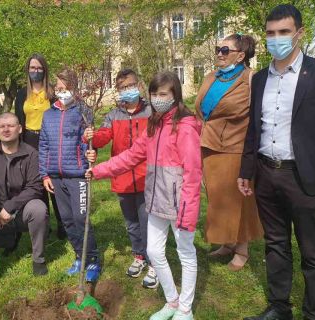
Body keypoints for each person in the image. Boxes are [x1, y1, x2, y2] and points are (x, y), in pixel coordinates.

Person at [239, 4, 315, 320]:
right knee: (275, 245)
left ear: (299, 33)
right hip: (267, 173)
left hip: (305, 177)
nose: (276, 39)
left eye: (284, 32)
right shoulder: (260, 78)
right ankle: (279, 308)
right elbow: (255, 127)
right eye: (270, 33)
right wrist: (246, 170)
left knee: (312, 252)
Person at [87, 71, 201, 320]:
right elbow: (130, 157)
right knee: (155, 251)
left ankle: (186, 308)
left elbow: (193, 172)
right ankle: (171, 301)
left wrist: (189, 210)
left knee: (186, 253)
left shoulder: (185, 125)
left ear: (175, 96)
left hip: (179, 201)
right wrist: (98, 171)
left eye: (163, 94)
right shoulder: (154, 125)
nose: (158, 99)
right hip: (156, 199)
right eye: (154, 94)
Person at [194, 33, 263, 271]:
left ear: (241, 55)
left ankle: (242, 249)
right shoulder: (211, 77)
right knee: (217, 198)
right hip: (209, 146)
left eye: (225, 50)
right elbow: (200, 110)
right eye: (218, 49)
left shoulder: (251, 79)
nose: (219, 54)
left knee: (237, 200)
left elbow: (256, 117)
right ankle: (226, 242)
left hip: (235, 148)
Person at [83, 68, 157, 288]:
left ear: (139, 85)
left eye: (131, 85)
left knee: (147, 223)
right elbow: (104, 137)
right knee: (131, 222)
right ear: (118, 90)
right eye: (123, 87)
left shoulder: (152, 112)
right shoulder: (114, 115)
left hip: (147, 176)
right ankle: (139, 255)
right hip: (123, 176)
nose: (128, 90)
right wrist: (92, 138)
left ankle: (154, 262)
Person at [38, 68, 100, 282]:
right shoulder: (49, 115)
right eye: (59, 88)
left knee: (80, 218)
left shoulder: (83, 111)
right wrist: (45, 174)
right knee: (66, 219)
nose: (62, 92)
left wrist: (88, 144)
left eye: (66, 88)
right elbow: (44, 145)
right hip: (56, 176)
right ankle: (78, 256)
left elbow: (89, 144)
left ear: (74, 89)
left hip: (78, 174)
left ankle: (92, 259)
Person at [0, 112, 49, 276]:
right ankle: (8, 239)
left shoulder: (31, 154)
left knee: (39, 209)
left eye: (11, 126)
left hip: (21, 210)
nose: (6, 130)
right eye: (2, 126)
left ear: (20, 129)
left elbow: (35, 187)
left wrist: (10, 207)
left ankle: (39, 260)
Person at [14, 53, 66, 240]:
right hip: (28, 140)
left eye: (39, 68)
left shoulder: (52, 93)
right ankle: (43, 224)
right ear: (28, 70)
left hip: (50, 140)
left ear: (44, 70)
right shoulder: (21, 94)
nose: (35, 71)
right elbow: (18, 120)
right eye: (32, 68)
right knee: (37, 185)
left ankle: (62, 222)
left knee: (53, 183)